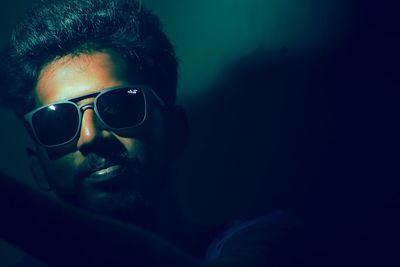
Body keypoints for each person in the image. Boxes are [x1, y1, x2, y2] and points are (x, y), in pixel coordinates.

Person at [0, 0, 299, 266]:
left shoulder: (263, 242)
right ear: (37, 166)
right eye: (57, 123)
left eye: (120, 106)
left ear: (174, 130)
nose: (91, 136)